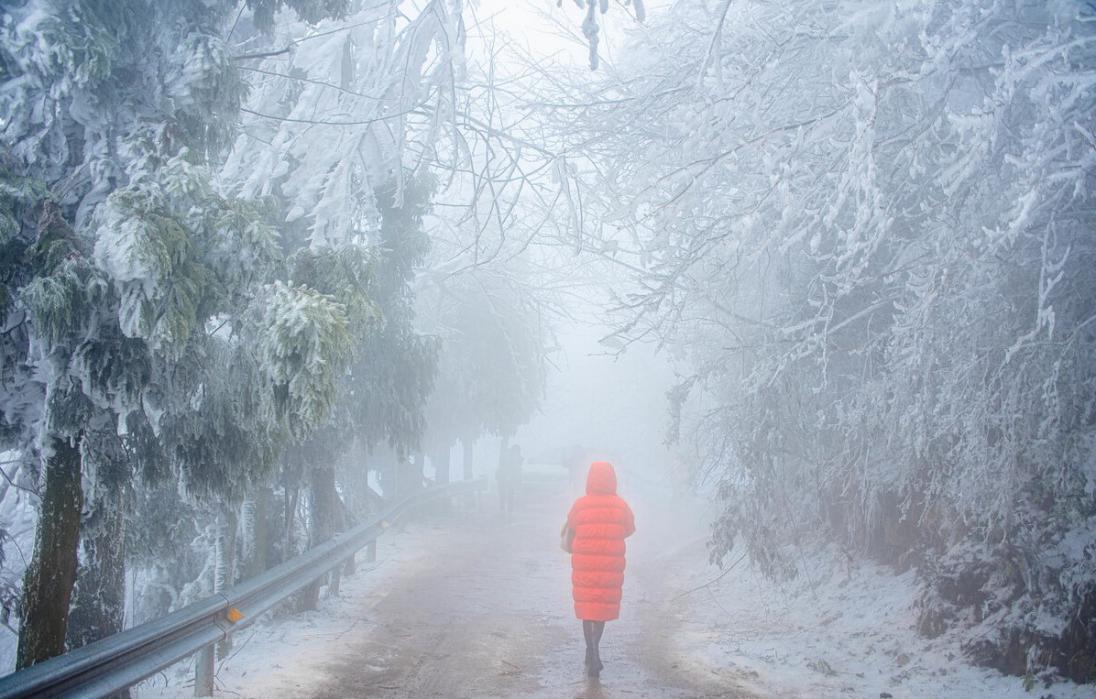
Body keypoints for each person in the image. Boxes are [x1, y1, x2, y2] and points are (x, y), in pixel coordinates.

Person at [562, 461, 635, 677]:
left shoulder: (580, 505)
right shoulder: (621, 506)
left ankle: (591, 651)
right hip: (609, 566)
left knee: (588, 609)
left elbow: (571, 526)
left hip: (584, 565)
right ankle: (594, 650)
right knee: (601, 608)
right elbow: (630, 529)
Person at [496, 443, 523, 521]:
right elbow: (508, 467)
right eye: (518, 452)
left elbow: (517, 468)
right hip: (503, 478)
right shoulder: (508, 456)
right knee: (504, 494)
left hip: (507, 478)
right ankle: (504, 510)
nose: (518, 453)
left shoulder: (513, 456)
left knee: (509, 494)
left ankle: (507, 510)